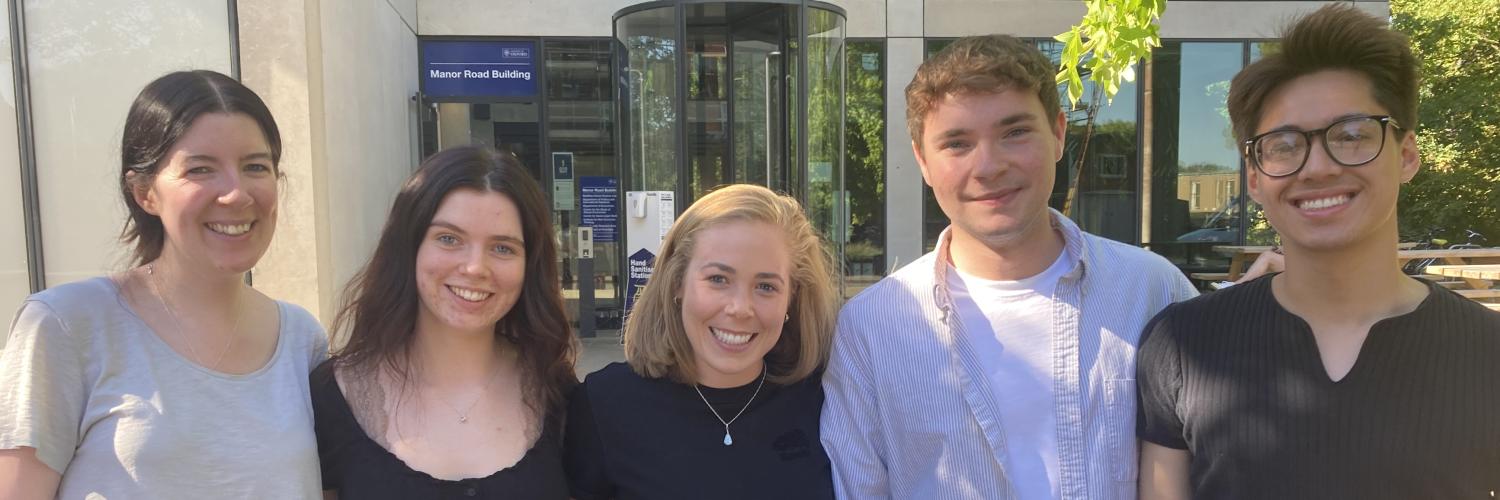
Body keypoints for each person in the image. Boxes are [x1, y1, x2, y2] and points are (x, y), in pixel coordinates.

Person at [1136, 5, 1500, 499]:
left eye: (1351, 136)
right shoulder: (1182, 345)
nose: (1318, 167)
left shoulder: (1486, 352)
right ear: (1255, 178)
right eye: (1284, 145)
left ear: (1408, 154)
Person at [820, 35, 1198, 499]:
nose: (989, 166)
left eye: (1014, 132)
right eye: (956, 143)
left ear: (1059, 134)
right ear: (922, 161)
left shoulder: (1153, 291)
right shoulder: (871, 328)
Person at [0, 70, 327, 498]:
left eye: (255, 167)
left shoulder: (303, 341)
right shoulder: (66, 325)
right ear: (144, 193)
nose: (236, 193)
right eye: (201, 169)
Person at [312, 145, 578, 498]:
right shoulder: (333, 395)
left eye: (502, 248)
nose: (474, 268)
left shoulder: (557, 392)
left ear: (529, 266)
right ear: (409, 246)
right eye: (449, 239)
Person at [565, 184, 838, 500]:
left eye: (765, 286)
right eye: (718, 279)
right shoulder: (604, 404)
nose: (739, 308)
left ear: (792, 300)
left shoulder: (823, 400)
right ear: (677, 282)